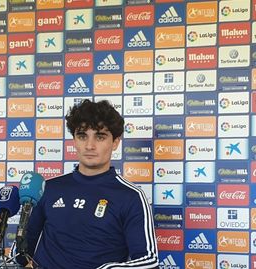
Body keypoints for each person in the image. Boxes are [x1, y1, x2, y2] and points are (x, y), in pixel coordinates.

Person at [23, 99, 159, 269]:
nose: (89, 145)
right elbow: (21, 251)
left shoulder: (131, 196)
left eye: (100, 136)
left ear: (115, 142)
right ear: (74, 140)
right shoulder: (47, 188)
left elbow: (149, 261)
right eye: (82, 136)